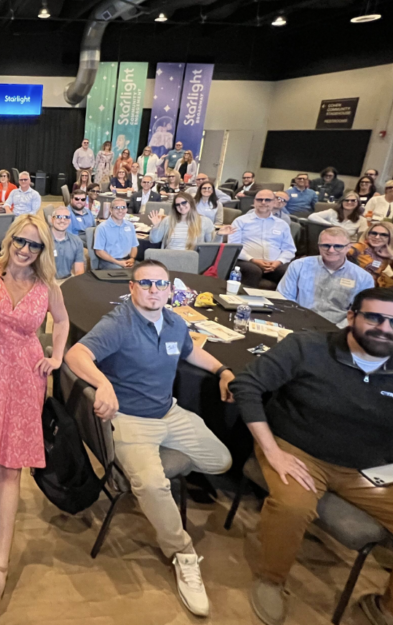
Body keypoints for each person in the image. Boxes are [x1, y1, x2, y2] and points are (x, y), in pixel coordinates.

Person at [229, 288, 393, 625]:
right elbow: (247, 386)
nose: (385, 328)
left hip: (371, 469)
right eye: (374, 317)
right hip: (297, 450)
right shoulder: (307, 347)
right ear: (352, 316)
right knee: (293, 506)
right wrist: (272, 452)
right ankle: (271, 578)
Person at [66, 260, 235, 617]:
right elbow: (76, 354)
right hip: (130, 420)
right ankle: (182, 552)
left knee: (221, 461)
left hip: (169, 413)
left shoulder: (174, 322)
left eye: (160, 284)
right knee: (152, 484)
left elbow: (190, 351)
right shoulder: (119, 323)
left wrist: (223, 370)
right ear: (132, 288)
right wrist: (104, 383)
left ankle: (151, 465)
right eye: (145, 284)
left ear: (170, 290)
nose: (154, 290)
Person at [0, 215, 70, 622]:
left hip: (26, 375)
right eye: (20, 242)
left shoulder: (47, 286)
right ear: (9, 241)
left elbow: (62, 321)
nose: (26, 250)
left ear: (43, 249)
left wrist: (57, 356)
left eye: (35, 245)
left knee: (9, 470)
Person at [277, 227, 374, 326]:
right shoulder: (299, 266)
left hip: (337, 329)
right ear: (319, 246)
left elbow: (359, 312)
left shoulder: (364, 278)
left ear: (348, 247)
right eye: (326, 245)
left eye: (338, 246)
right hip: (297, 322)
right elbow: (284, 298)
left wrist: (337, 330)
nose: (331, 250)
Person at [222, 189, 296, 287]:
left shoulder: (282, 224)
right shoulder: (240, 221)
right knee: (253, 271)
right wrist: (253, 260)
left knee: (291, 271)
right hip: (247, 261)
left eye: (267, 200)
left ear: (274, 202)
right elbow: (233, 246)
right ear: (254, 202)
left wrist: (278, 262)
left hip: (274, 264)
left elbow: (289, 249)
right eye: (259, 200)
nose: (263, 202)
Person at [148, 192, 215, 250]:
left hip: (192, 258)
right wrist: (156, 226)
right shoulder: (168, 220)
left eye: (184, 203)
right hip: (169, 256)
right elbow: (154, 240)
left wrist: (219, 235)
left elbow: (212, 245)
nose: (181, 206)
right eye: (177, 205)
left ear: (191, 203)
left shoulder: (205, 222)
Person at [348, 222, 393, 289]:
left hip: (369, 286)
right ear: (368, 234)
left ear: (391, 238)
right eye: (374, 233)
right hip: (350, 284)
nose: (377, 237)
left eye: (383, 235)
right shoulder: (360, 247)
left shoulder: (385, 254)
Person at [94, 197, 139, 269]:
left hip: (127, 260)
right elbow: (99, 251)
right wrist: (118, 262)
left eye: (123, 207)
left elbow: (134, 246)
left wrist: (132, 258)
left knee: (145, 270)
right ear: (111, 210)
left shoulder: (130, 225)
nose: (120, 210)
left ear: (126, 209)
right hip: (109, 261)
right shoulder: (102, 228)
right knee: (124, 273)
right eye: (117, 208)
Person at [49, 205, 85, 278]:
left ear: (69, 221)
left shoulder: (77, 241)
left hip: (67, 280)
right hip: (45, 282)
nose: (62, 220)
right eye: (58, 217)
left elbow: (79, 271)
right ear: (52, 220)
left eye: (66, 217)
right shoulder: (42, 239)